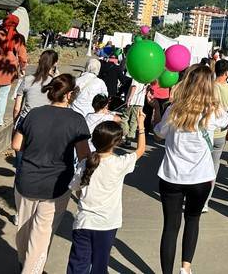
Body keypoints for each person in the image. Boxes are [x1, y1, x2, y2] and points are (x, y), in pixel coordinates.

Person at [12, 74, 91, 274]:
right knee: (41, 237)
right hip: (56, 185)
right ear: (70, 94)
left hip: (26, 180)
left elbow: (16, 144)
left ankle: (23, 262)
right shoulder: (76, 120)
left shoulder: (34, 114)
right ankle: (30, 270)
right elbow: (84, 155)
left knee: (23, 230)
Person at [154, 65, 228, 274]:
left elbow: (159, 133)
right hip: (201, 177)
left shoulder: (173, 109)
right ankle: (186, 268)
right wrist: (213, 96)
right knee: (193, 220)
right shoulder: (214, 112)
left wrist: (156, 109)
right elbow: (225, 120)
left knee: (170, 227)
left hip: (172, 175)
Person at [66, 114, 146, 274]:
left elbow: (74, 186)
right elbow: (141, 150)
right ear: (115, 143)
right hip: (107, 224)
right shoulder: (119, 163)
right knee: (100, 265)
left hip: (84, 222)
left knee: (78, 265)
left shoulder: (85, 164)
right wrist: (141, 125)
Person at [204, 59, 228, 211]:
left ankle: (195, 196)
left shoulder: (208, 87)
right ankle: (205, 201)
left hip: (206, 130)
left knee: (202, 165)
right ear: (226, 73)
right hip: (221, 133)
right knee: (214, 168)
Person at [12, 50, 59, 126]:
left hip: (26, 120)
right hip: (45, 122)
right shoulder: (55, 83)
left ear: (39, 61)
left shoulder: (27, 79)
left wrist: (15, 124)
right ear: (55, 63)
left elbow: (17, 108)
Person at [121, 77, 146, 148]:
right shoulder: (146, 78)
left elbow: (134, 87)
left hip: (132, 101)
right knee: (134, 121)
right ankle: (129, 139)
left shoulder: (136, 76)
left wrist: (129, 98)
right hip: (140, 102)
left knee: (125, 118)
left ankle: (125, 133)